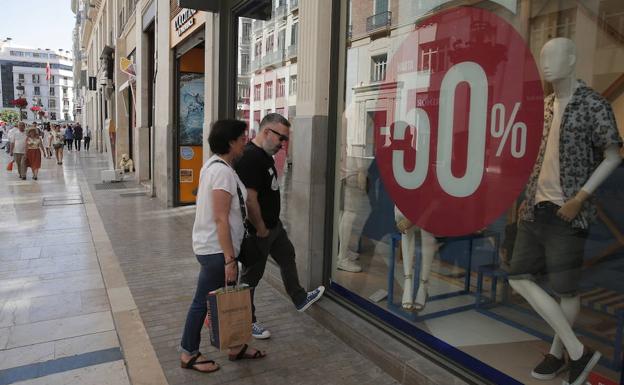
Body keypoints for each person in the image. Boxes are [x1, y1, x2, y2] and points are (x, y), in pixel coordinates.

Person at [508, 38, 622, 385]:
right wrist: (527, 194)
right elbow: (540, 157)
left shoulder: (593, 104)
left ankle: (559, 355)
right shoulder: (544, 106)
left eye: (553, 55)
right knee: (517, 276)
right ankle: (577, 351)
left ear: (572, 60)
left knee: (566, 289)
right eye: (542, 56)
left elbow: (614, 155)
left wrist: (580, 197)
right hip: (535, 207)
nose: (546, 62)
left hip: (568, 212)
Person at [180, 119, 266, 374]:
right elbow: (221, 218)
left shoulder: (218, 167)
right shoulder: (221, 172)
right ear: (230, 142)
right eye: (242, 138)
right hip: (217, 251)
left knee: (228, 300)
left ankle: (235, 346)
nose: (245, 142)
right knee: (202, 303)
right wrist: (229, 259)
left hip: (218, 249)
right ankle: (188, 352)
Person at [236, 113, 325, 340]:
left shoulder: (265, 155)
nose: (283, 144)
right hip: (259, 230)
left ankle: (299, 297)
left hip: (273, 227)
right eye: (281, 138)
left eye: (286, 139)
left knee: (287, 255)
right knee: (250, 278)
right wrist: (261, 229)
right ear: (267, 132)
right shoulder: (250, 158)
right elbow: (250, 199)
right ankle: (247, 321)